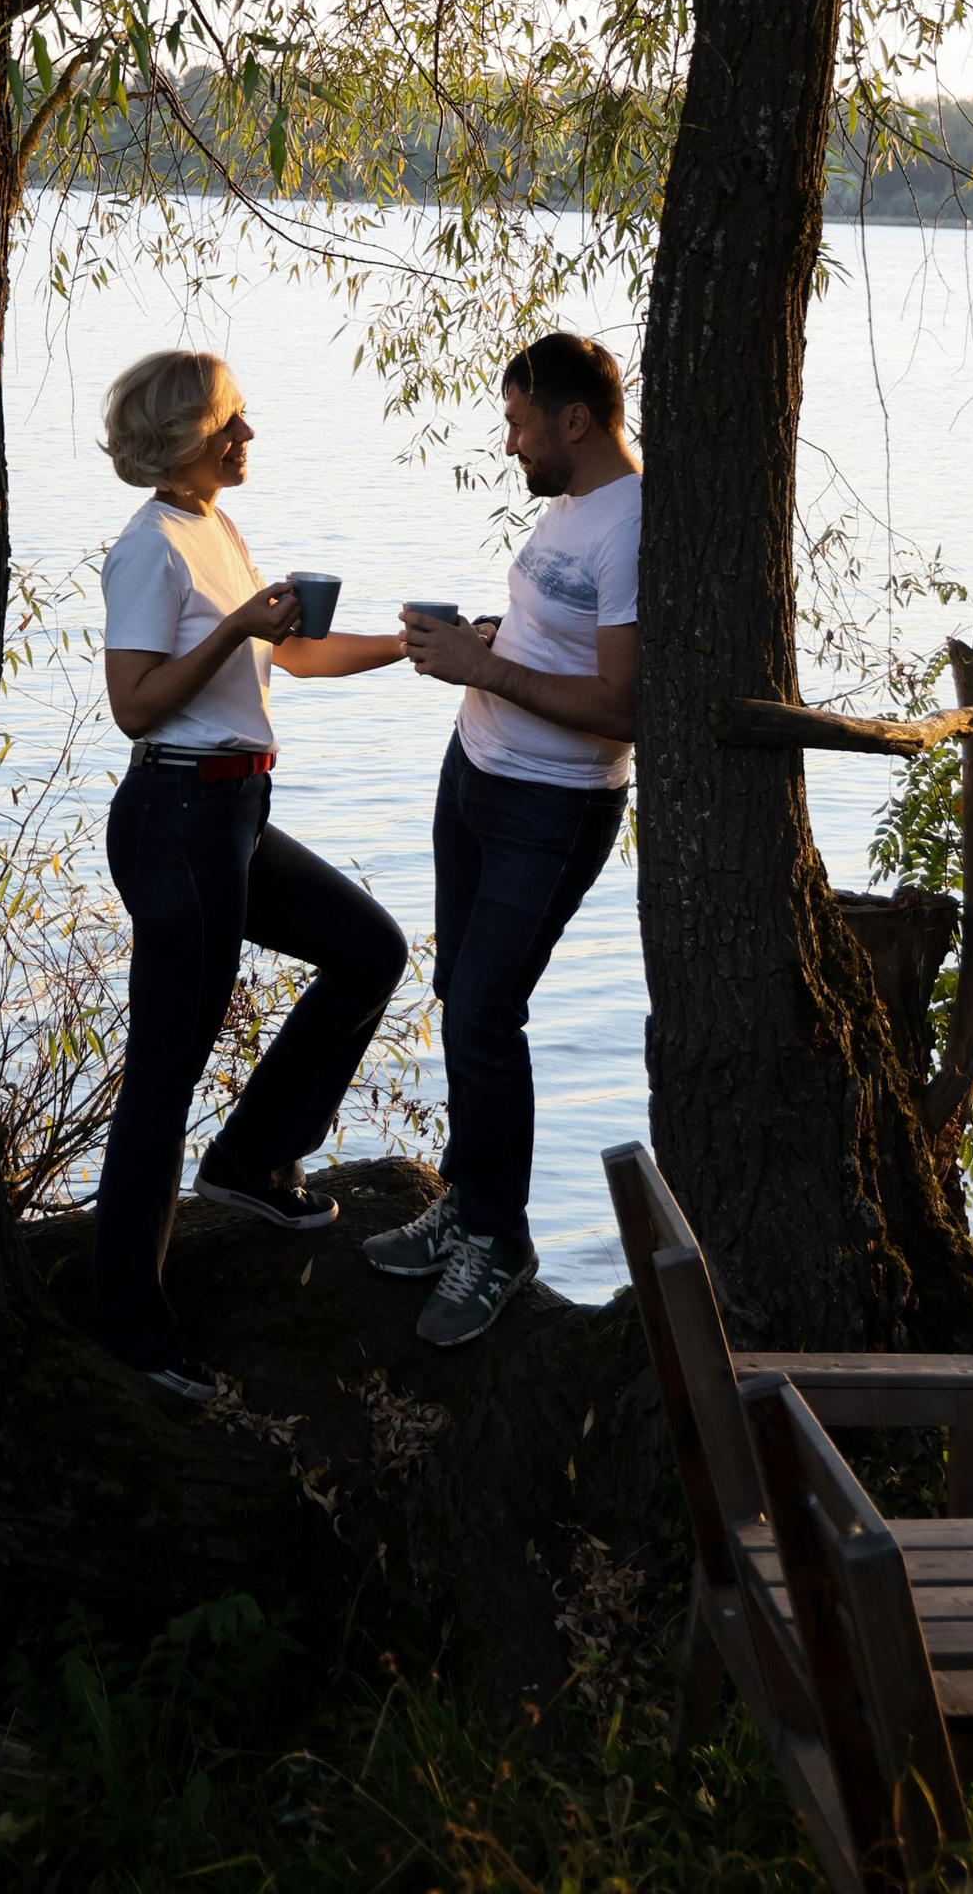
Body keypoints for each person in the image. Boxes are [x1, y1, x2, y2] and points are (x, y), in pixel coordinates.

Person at [90, 345, 409, 1400]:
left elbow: (294, 658)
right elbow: (136, 704)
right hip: (176, 813)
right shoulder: (150, 551)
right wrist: (235, 624)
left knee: (368, 950)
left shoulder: (215, 526)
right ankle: (129, 1330)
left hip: (235, 810)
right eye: (230, 422)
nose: (247, 436)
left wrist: (412, 644)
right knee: (163, 1074)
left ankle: (250, 1164)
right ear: (185, 436)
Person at [367, 330, 639, 1345]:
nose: (509, 443)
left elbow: (624, 707)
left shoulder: (633, 526)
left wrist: (484, 672)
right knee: (458, 999)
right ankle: (468, 1203)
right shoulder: (571, 508)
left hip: (552, 804)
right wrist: (484, 642)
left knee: (487, 1010)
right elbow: (555, 641)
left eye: (520, 423)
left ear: (574, 420)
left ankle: (500, 1242)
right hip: (473, 775)